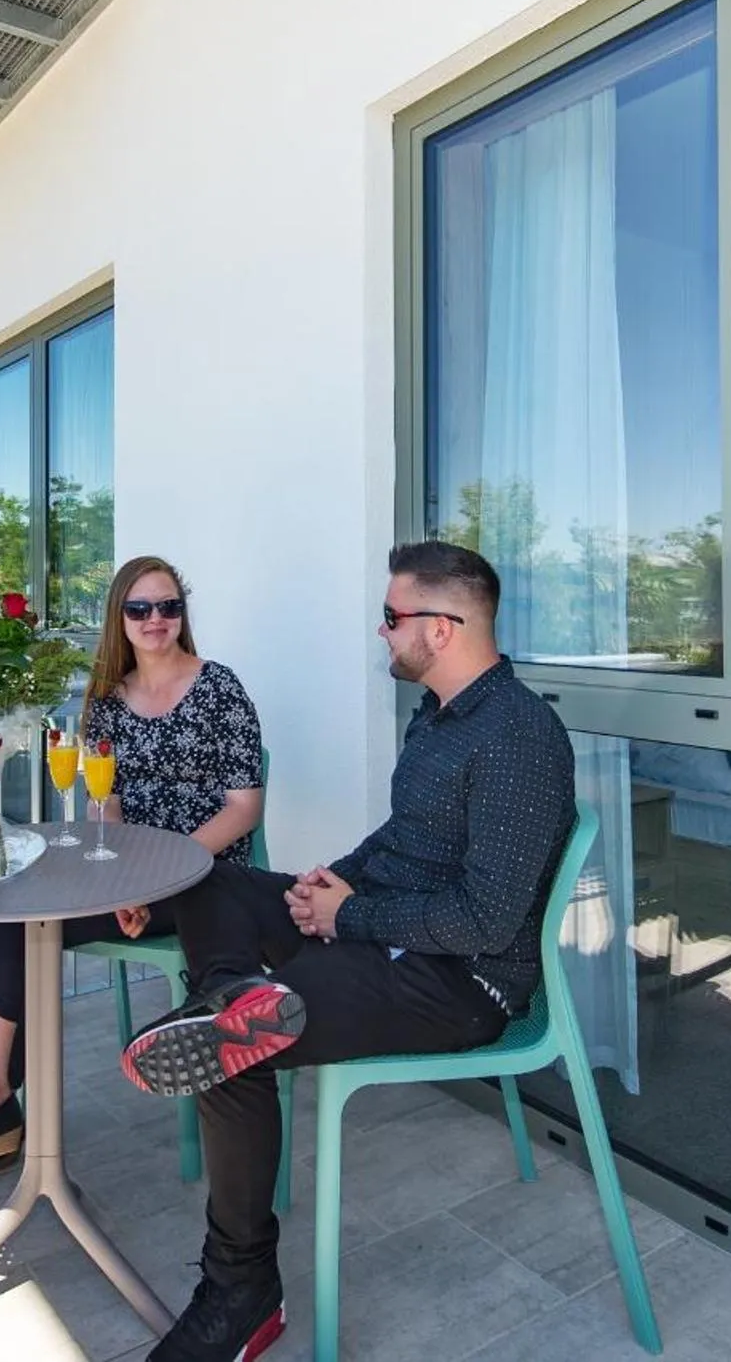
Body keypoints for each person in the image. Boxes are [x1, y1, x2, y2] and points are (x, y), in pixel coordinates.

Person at [119, 540, 575, 1362]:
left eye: (393, 617)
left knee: (234, 1053)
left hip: (459, 981)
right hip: (387, 930)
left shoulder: (518, 735)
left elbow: (486, 920)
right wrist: (334, 880)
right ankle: (226, 993)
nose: (382, 630)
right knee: (206, 878)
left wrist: (351, 914)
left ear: (442, 628)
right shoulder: (437, 716)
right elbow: (403, 837)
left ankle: (242, 1290)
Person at [0, 555, 266, 1207]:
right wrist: (122, 878)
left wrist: (161, 873)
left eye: (169, 606)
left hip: (203, 881)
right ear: (119, 617)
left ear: (184, 614)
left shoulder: (219, 687)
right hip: (128, 882)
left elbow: (243, 805)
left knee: (25, 909)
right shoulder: (107, 700)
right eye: (140, 608)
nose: (156, 619)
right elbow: (107, 801)